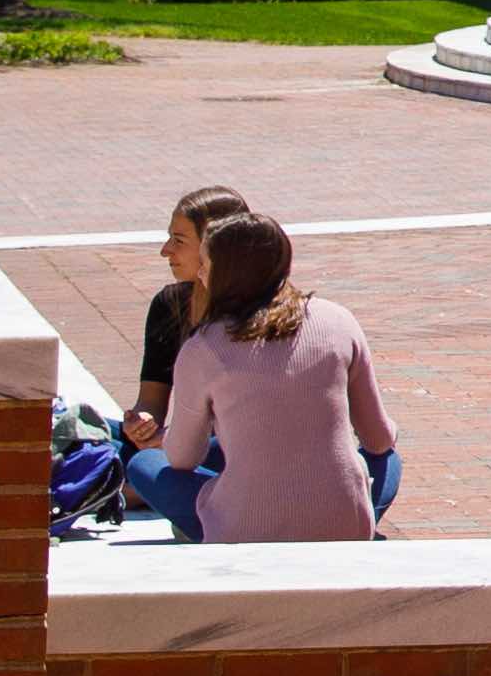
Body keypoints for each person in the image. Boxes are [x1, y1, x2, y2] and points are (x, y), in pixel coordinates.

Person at [151, 210, 396, 543]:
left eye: (205, 265)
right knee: (388, 459)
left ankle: (217, 521)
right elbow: (379, 439)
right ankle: (340, 516)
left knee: (146, 465)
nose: (201, 274)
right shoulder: (339, 320)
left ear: (221, 275)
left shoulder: (204, 346)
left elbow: (181, 457)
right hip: (343, 525)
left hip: (242, 532)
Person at [107, 180, 256, 524]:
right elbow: (151, 401)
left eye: (179, 240)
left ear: (212, 247)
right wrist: (142, 424)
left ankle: (128, 488)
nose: (165, 250)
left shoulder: (260, 313)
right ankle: (129, 486)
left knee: (146, 465)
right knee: (94, 432)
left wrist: (169, 445)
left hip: (232, 454)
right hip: (182, 444)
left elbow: (246, 432)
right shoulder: (170, 304)